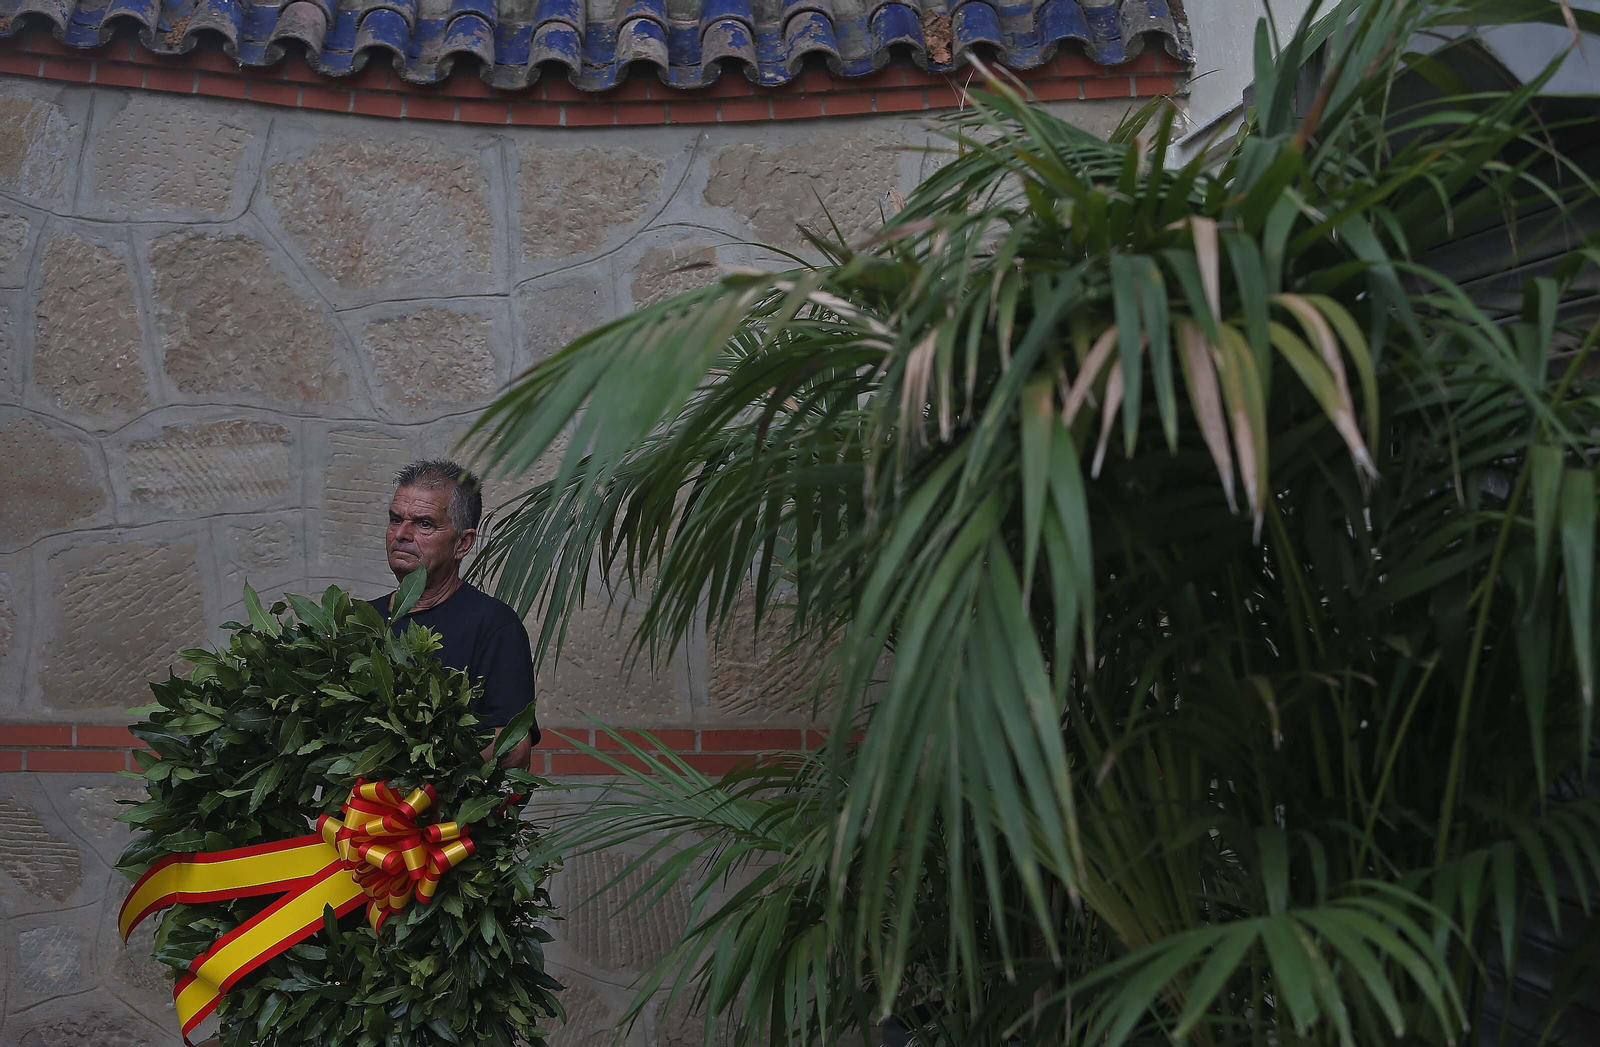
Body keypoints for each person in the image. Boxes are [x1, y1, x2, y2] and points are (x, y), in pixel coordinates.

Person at [367, 459, 540, 768]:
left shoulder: (495, 626)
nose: (402, 534)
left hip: (449, 815)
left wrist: (412, 776)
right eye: (396, 519)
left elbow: (513, 747)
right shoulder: (361, 621)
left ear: (462, 543)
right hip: (360, 815)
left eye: (424, 524)